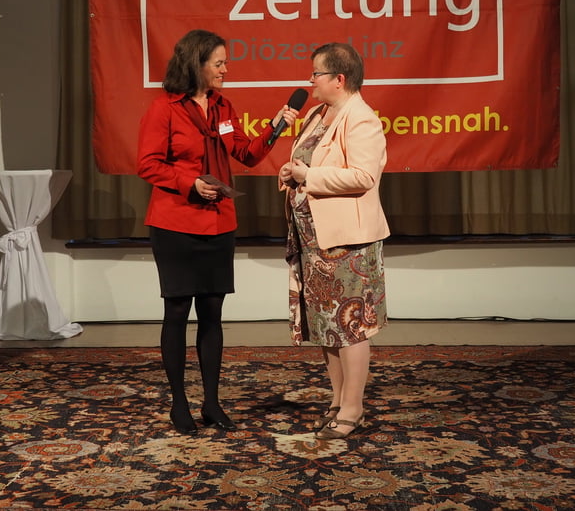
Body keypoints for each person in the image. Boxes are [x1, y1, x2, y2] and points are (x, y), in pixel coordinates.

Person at [136, 29, 297, 434]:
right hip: (175, 223)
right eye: (219, 63)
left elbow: (246, 153)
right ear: (197, 64)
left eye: (226, 63)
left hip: (219, 223)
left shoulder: (224, 108)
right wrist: (189, 183)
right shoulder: (164, 109)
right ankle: (179, 404)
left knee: (213, 313)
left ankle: (211, 403)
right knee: (177, 311)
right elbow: (148, 164)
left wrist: (276, 127)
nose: (226, 70)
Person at [278, 42, 389, 440]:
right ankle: (338, 400)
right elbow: (307, 162)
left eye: (316, 74)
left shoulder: (361, 119)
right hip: (315, 241)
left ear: (339, 79)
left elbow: (363, 176)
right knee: (327, 325)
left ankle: (353, 408)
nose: (310, 81)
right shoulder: (317, 114)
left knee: (351, 326)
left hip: (347, 244)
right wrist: (291, 172)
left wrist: (308, 176)